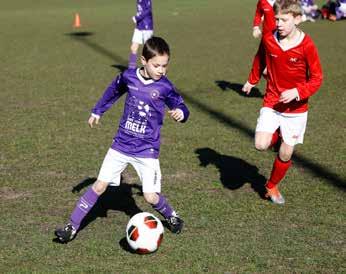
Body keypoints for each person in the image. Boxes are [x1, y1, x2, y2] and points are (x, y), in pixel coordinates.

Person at [55, 36, 190, 243]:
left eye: (164, 66)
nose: (161, 70)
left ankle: (172, 216)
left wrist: (181, 113)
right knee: (99, 186)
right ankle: (71, 227)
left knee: (150, 197)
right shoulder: (129, 77)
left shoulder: (165, 86)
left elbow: (181, 106)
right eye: (156, 66)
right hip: (121, 145)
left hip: (147, 150)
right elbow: (113, 91)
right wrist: (97, 111)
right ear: (144, 61)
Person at [242, 0, 323, 205]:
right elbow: (260, 58)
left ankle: (271, 186)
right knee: (261, 144)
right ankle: (276, 134)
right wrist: (252, 81)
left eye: (284, 20)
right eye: (276, 19)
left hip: (296, 108)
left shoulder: (307, 45)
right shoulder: (269, 39)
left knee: (286, 153)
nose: (278, 24)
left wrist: (297, 91)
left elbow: (317, 78)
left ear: (297, 19)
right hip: (272, 100)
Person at [128, 0, 154, 69]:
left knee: (148, 50)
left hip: (147, 26)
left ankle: (152, 69)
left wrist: (137, 18)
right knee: (133, 48)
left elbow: (148, 10)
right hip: (139, 26)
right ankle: (131, 69)